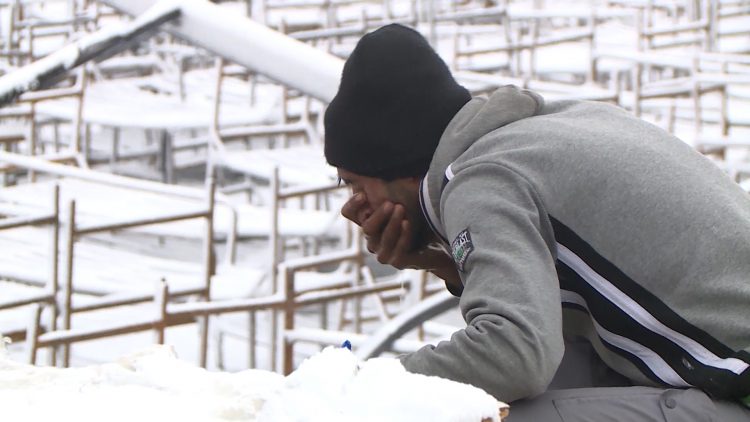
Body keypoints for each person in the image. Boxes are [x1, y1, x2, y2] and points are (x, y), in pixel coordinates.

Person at [323, 23, 750, 421]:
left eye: (354, 183)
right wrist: (441, 261)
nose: (352, 207)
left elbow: (515, 355)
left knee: (483, 413)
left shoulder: (481, 179)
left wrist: (362, 389)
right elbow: (566, 314)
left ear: (397, 167)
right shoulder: (547, 128)